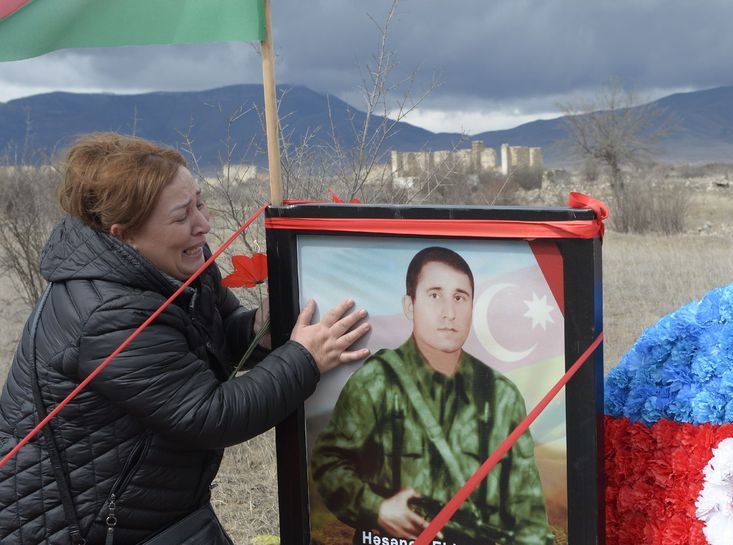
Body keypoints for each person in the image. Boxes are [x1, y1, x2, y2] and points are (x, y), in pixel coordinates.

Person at [0, 133, 370, 544]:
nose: (203, 224)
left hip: (152, 512)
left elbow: (208, 340)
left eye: (200, 201)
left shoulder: (176, 263)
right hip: (78, 527)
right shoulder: (108, 313)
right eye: (181, 217)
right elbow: (209, 414)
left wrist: (255, 331)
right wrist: (305, 358)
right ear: (124, 235)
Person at [311, 247, 549, 545]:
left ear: (472, 307)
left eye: (460, 297)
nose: (449, 312)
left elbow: (528, 512)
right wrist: (377, 509)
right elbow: (328, 463)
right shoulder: (378, 380)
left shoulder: (501, 395)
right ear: (410, 305)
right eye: (435, 295)